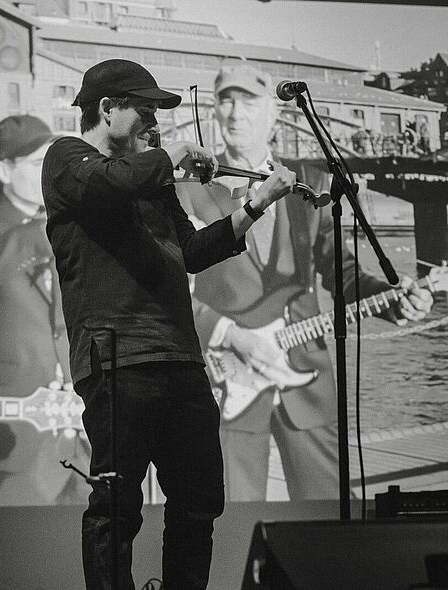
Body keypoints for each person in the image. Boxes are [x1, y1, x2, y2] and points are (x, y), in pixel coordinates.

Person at [41, 59, 298, 590]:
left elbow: (192, 251)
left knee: (199, 499)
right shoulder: (66, 158)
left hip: (179, 355)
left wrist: (255, 205)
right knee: (117, 503)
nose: (154, 122)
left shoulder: (150, 181)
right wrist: (172, 155)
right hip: (116, 357)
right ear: (107, 109)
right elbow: (111, 183)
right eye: (146, 110)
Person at [178, 64, 434, 502]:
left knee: (329, 511)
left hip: (306, 376)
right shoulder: (187, 190)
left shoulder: (311, 184)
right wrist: (227, 334)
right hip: (226, 381)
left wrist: (392, 300)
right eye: (226, 100)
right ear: (215, 111)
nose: (235, 112)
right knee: (230, 516)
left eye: (248, 101)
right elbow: (168, 286)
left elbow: (342, 272)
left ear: (274, 113)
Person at [0, 115, 90, 506]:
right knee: (24, 535)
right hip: (15, 423)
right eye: (38, 163)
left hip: (85, 417)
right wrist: (34, 233)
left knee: (97, 534)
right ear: (3, 171)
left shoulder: (76, 218)